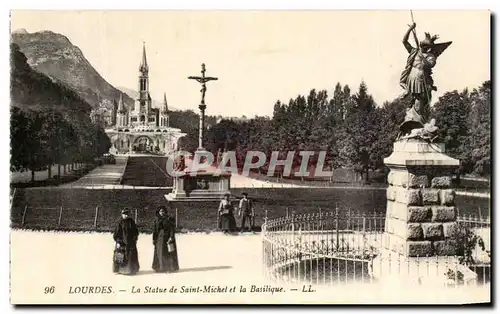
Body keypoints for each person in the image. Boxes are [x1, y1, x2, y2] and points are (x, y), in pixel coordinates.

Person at [152, 206, 179, 273]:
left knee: (168, 253)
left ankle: (169, 268)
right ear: (158, 212)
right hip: (159, 239)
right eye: (160, 211)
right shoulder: (156, 220)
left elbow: (172, 229)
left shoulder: (169, 219)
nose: (162, 213)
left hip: (167, 238)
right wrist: (154, 239)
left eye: (163, 211)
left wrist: (171, 237)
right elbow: (155, 230)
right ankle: (159, 268)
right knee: (160, 253)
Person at [112, 208, 140, 275]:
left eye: (127, 214)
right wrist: (118, 241)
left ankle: (131, 270)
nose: (126, 215)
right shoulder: (120, 223)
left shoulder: (131, 222)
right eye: (124, 214)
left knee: (130, 255)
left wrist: (135, 238)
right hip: (122, 242)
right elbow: (117, 233)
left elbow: (136, 231)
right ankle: (121, 270)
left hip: (131, 242)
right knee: (121, 255)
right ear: (122, 214)